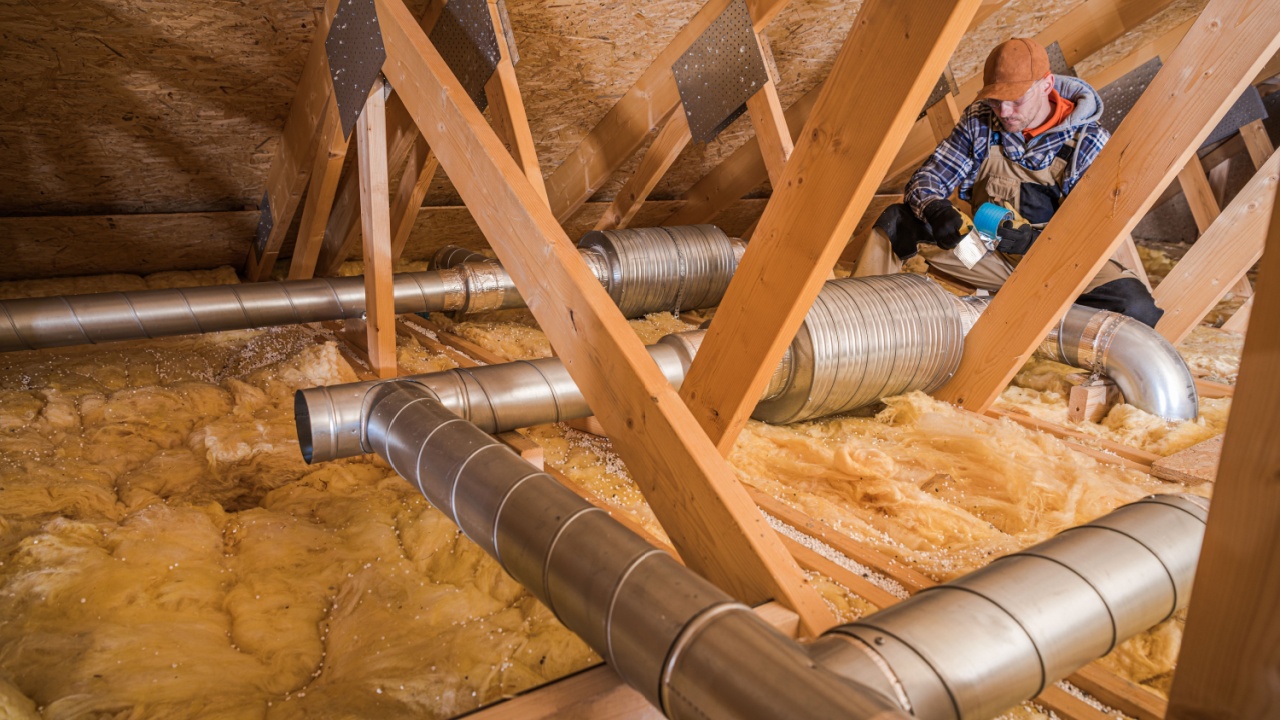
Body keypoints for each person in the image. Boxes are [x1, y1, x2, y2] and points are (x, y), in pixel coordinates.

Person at [856, 37, 1163, 327]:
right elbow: (929, 178)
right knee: (897, 221)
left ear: (1046, 85)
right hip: (982, 254)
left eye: (1015, 101)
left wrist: (1034, 242)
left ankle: (1050, 327)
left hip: (1057, 267)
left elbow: (1093, 228)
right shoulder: (980, 119)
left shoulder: (1088, 140)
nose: (1004, 112)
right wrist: (935, 208)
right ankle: (854, 322)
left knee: (1135, 309)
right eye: (995, 101)